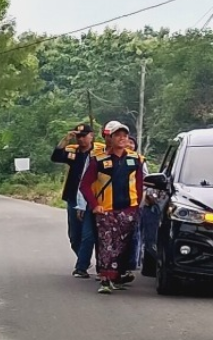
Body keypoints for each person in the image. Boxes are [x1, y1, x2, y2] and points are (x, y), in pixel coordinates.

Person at [80, 119, 145, 294]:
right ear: (111, 138)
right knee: (106, 245)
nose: (122, 139)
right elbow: (85, 185)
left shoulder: (135, 159)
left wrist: (137, 206)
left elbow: (139, 185)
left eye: (125, 135)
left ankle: (116, 276)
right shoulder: (98, 161)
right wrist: (94, 206)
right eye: (118, 136)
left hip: (128, 210)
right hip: (106, 210)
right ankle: (105, 279)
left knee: (123, 245)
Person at [51, 122, 97, 278]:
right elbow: (56, 156)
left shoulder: (98, 153)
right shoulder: (73, 153)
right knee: (74, 236)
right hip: (73, 197)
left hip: (91, 198)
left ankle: (81, 266)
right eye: (78, 137)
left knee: (88, 234)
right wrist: (66, 139)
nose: (81, 140)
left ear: (91, 136)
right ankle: (83, 258)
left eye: (84, 136)